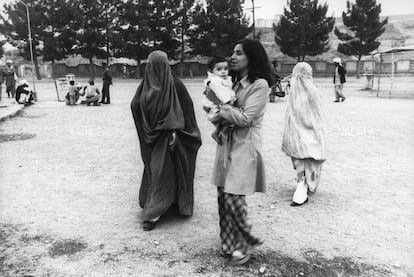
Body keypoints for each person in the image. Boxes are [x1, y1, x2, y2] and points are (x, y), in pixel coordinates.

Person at [206, 39, 273, 264]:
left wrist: (222, 107)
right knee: (223, 195)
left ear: (251, 57)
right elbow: (227, 112)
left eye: (239, 53)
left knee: (235, 196)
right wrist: (215, 111)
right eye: (233, 52)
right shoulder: (234, 83)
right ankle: (227, 242)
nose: (233, 57)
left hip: (245, 145)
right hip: (227, 143)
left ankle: (245, 243)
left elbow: (245, 118)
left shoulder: (260, 85)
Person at [131, 50, 202, 231]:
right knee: (155, 170)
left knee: (163, 171)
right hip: (152, 139)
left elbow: (187, 111)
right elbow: (135, 105)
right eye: (155, 66)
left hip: (173, 139)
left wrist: (175, 129)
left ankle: (152, 214)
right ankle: (163, 204)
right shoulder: (144, 86)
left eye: (161, 66)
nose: (158, 70)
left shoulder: (176, 85)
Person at [282, 62, 326, 206]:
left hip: (299, 134)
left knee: (301, 158)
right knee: (308, 157)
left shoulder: (295, 90)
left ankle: (303, 185)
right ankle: (305, 184)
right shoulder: (312, 90)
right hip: (309, 133)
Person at [202, 55, 235, 144]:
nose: (223, 71)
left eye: (225, 69)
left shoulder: (221, 79)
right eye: (219, 69)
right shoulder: (214, 81)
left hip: (216, 107)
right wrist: (229, 101)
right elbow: (221, 93)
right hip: (215, 108)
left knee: (227, 121)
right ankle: (219, 133)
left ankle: (217, 132)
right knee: (229, 120)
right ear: (212, 71)